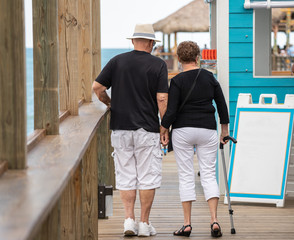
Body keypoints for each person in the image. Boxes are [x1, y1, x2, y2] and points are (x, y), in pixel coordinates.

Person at [92, 23, 168, 237]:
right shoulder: (158, 65)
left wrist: (109, 103)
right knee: (147, 176)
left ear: (133, 41)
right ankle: (144, 224)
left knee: (126, 176)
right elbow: (162, 98)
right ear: (152, 44)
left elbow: (97, 88)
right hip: (147, 129)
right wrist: (165, 126)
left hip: (120, 128)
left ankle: (128, 221)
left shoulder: (117, 61)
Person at [160, 41, 229, 238]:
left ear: (179, 59)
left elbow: (171, 111)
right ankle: (214, 220)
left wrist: (163, 129)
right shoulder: (209, 77)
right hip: (207, 129)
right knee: (208, 173)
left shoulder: (177, 81)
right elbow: (222, 105)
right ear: (198, 57)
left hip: (183, 131)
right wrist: (224, 131)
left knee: (186, 175)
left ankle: (187, 224)